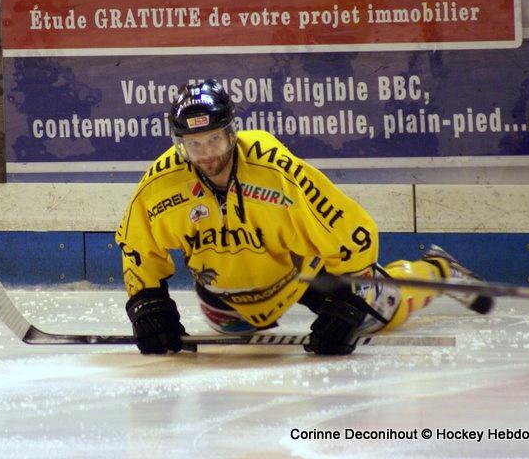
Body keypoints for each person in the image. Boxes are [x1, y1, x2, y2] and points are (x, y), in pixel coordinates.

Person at [115, 79, 492, 355]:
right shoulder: (162, 183)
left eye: (213, 139)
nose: (207, 154)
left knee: (381, 312)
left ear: (232, 133)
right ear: (179, 145)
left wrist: (351, 301)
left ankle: (438, 270)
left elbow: (354, 233)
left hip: (303, 274)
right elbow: (138, 246)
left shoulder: (275, 170)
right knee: (237, 327)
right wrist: (146, 301)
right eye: (194, 145)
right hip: (226, 300)